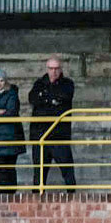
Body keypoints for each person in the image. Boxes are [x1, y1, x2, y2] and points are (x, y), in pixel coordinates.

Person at [29, 57, 77, 189]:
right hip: (40, 136)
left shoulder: (67, 84)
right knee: (39, 177)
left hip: (59, 136)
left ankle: (73, 199)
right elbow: (32, 98)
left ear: (61, 69)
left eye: (56, 68)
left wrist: (44, 99)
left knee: (68, 174)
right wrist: (52, 101)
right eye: (51, 68)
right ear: (47, 69)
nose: (54, 72)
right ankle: (37, 203)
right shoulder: (39, 83)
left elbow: (64, 98)